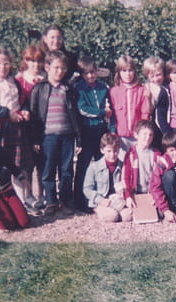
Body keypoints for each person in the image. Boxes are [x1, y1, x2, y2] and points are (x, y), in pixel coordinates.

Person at [0, 48, 36, 214]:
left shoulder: (14, 82)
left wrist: (25, 110)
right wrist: (7, 113)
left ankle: (22, 201)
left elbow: (22, 101)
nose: (2, 67)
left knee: (18, 165)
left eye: (6, 63)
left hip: (16, 128)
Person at [29, 50, 82, 216]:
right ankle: (51, 201)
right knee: (48, 170)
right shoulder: (39, 89)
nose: (60, 71)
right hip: (47, 137)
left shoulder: (68, 89)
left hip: (67, 136)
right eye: (56, 68)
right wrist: (35, 139)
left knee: (66, 170)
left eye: (63, 68)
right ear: (47, 67)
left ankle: (65, 200)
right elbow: (34, 115)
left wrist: (78, 138)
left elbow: (76, 116)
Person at [73, 56, 113, 212]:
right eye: (87, 73)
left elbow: (109, 107)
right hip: (87, 130)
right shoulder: (79, 88)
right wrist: (102, 112)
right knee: (83, 165)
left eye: (93, 72)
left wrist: (108, 120)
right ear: (82, 74)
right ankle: (79, 200)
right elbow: (83, 109)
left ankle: (101, 197)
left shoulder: (103, 87)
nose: (90, 76)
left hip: (101, 130)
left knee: (101, 164)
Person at [15, 45, 47, 211]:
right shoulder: (19, 80)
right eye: (32, 61)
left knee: (43, 162)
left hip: (43, 125)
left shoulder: (46, 78)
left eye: (39, 61)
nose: (36, 65)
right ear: (26, 61)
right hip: (24, 126)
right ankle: (28, 195)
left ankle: (43, 195)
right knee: (26, 164)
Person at [83, 133, 132, 222]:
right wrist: (100, 200)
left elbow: (128, 184)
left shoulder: (123, 166)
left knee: (127, 216)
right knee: (112, 217)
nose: (112, 154)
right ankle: (98, 210)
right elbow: (87, 189)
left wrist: (124, 192)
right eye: (109, 151)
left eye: (115, 151)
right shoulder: (94, 167)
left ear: (119, 150)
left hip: (118, 200)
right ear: (102, 150)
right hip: (102, 200)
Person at [110, 55, 152, 156]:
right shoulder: (113, 91)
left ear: (134, 71)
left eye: (130, 70)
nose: (127, 74)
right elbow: (112, 116)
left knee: (138, 161)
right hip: (121, 137)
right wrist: (113, 132)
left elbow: (145, 113)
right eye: (124, 71)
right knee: (122, 162)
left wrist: (142, 133)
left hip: (137, 136)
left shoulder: (141, 90)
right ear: (119, 72)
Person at [122, 120, 162, 210]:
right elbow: (125, 177)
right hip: (135, 194)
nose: (148, 137)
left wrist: (156, 194)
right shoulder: (130, 154)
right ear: (136, 135)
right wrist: (128, 196)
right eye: (144, 134)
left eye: (150, 135)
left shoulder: (157, 154)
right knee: (127, 215)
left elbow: (160, 178)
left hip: (151, 194)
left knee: (159, 213)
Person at [142, 56, 168, 149]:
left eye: (158, 75)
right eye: (152, 76)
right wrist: (148, 98)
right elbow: (149, 110)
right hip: (155, 126)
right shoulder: (147, 88)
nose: (156, 79)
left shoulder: (168, 87)